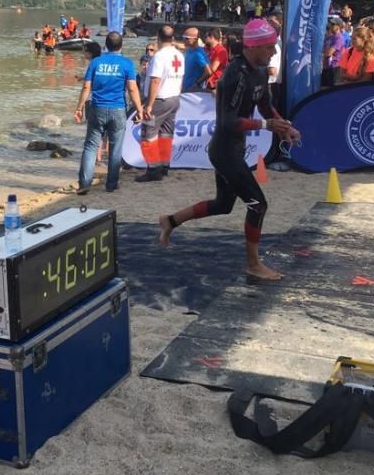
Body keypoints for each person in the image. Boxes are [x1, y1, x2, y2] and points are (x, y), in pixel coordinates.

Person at [156, 19, 300, 281]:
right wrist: (266, 124)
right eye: (269, 48)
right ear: (254, 46)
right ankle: (253, 264)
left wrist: (283, 126)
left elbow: (266, 106)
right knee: (258, 205)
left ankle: (170, 220)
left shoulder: (259, 70)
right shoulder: (235, 76)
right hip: (224, 150)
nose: (273, 52)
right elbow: (228, 122)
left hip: (235, 148)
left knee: (223, 204)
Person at [73, 32, 143, 194]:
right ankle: (111, 184)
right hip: (118, 109)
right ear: (121, 46)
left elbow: (86, 87)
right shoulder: (127, 64)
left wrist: (79, 107)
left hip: (97, 108)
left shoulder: (96, 62)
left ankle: (84, 184)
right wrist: (139, 109)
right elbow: (132, 88)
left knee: (90, 146)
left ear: (105, 45)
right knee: (115, 148)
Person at [137, 25, 184, 182]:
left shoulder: (159, 56)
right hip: (174, 98)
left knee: (148, 135)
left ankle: (153, 170)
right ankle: (164, 166)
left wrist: (149, 105)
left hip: (160, 100)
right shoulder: (179, 55)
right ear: (172, 38)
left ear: (158, 37)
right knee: (166, 134)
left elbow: (155, 80)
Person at [181, 27, 209, 91]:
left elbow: (208, 72)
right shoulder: (188, 50)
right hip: (184, 88)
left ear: (195, 39)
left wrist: (197, 83)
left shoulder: (199, 53)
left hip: (192, 91)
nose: (184, 40)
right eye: (183, 37)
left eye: (186, 38)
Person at [322, 20, 346, 86]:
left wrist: (323, 53)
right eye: (331, 24)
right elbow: (323, 50)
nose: (331, 25)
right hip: (326, 67)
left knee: (329, 88)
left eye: (333, 24)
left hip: (334, 67)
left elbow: (329, 53)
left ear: (338, 26)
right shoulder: (330, 37)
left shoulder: (339, 38)